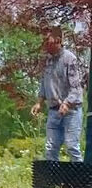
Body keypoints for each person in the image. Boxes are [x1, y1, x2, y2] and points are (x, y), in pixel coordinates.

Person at [36, 29, 87, 164]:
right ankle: (53, 181)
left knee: (72, 147)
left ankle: (80, 182)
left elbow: (76, 87)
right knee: (51, 148)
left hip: (71, 111)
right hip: (53, 111)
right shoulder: (47, 61)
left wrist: (67, 103)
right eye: (45, 43)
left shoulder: (70, 59)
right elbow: (44, 82)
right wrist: (39, 102)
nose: (46, 45)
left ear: (58, 41)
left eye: (49, 42)